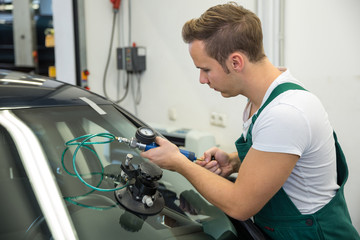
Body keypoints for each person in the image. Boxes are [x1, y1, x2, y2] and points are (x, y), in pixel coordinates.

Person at [141, 2, 360, 239]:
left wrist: (178, 162)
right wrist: (235, 161)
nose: (202, 80)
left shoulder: (286, 112)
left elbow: (240, 205)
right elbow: (281, 157)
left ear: (235, 62)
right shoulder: (262, 101)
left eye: (205, 69)